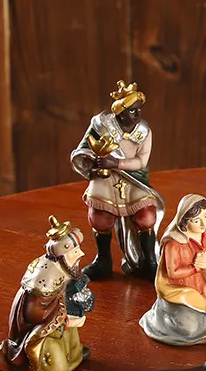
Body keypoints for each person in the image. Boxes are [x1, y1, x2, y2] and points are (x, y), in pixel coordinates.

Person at [70, 79, 165, 281]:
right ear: (120, 112)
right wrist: (94, 160)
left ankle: (149, 261)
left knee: (146, 215)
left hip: (132, 179)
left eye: (139, 110)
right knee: (100, 217)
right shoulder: (101, 124)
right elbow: (83, 149)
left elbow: (141, 161)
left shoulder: (144, 132)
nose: (137, 114)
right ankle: (103, 260)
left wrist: (117, 163)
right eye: (132, 111)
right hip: (105, 177)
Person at [0, 216, 92, 371]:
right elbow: (35, 313)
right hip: (43, 330)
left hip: (60, 321)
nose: (81, 254)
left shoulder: (66, 268)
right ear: (62, 255)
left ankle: (73, 356)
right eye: (75, 251)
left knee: (73, 340)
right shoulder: (45, 278)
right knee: (57, 370)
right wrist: (65, 318)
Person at [139, 194, 206, 346]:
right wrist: (195, 267)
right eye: (196, 220)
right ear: (184, 221)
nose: (203, 224)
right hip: (182, 292)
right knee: (193, 327)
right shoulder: (174, 244)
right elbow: (172, 273)